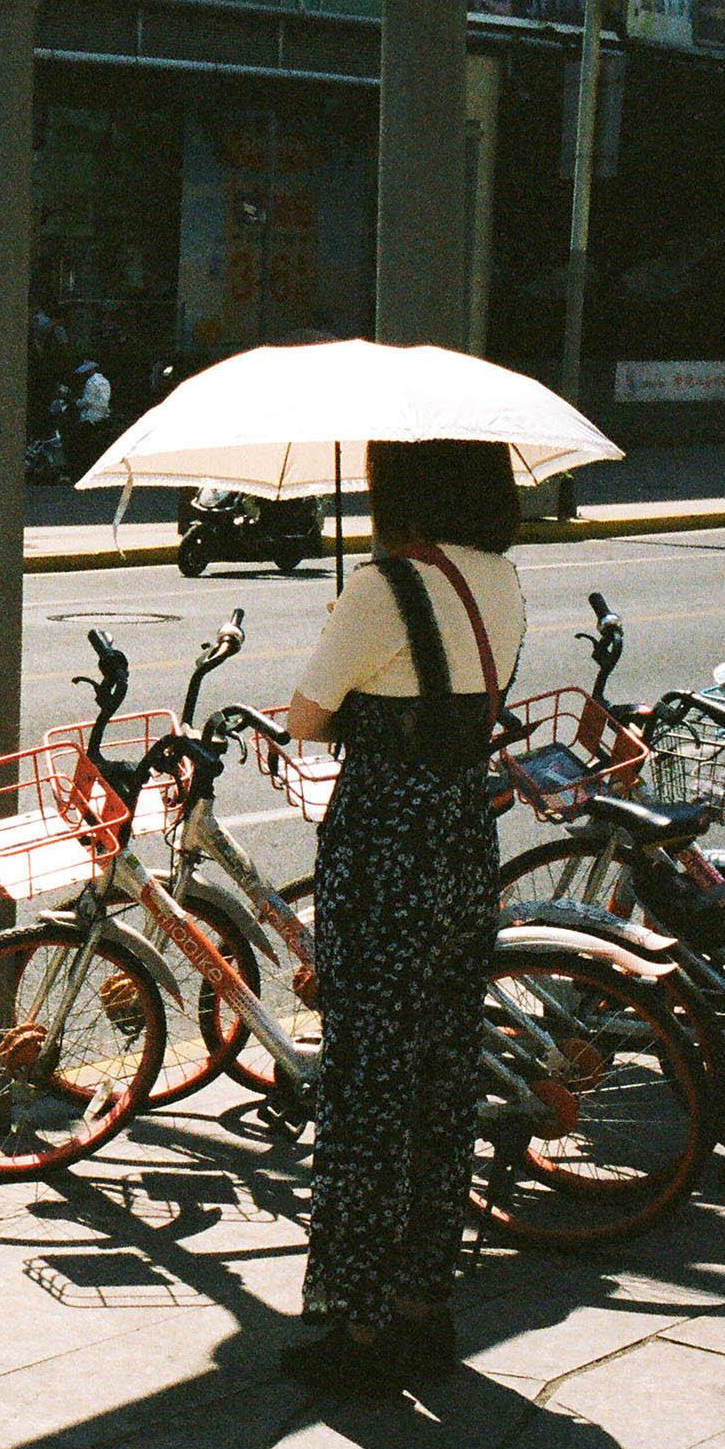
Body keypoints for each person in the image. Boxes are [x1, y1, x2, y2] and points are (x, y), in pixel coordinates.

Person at [281, 439, 525, 1392]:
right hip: (464, 834)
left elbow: (306, 717)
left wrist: (349, 624)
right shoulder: (500, 578)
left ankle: (360, 1327)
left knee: (367, 1083)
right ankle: (425, 1304)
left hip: (385, 839)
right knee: (442, 1073)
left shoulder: (384, 585)